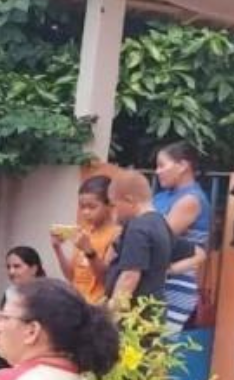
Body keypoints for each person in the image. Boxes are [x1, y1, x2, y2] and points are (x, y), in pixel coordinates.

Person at [105, 169, 204, 321]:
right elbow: (197, 252)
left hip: (135, 316)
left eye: (114, 205)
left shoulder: (138, 228)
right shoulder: (161, 223)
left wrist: (112, 314)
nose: (113, 211)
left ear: (129, 200)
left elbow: (129, 276)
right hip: (154, 312)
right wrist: (169, 270)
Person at [153, 142, 212, 332]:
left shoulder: (191, 199)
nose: (157, 171)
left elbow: (157, 239)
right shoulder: (163, 197)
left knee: (157, 350)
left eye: (162, 165)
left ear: (183, 166)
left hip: (175, 284)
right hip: (157, 280)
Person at [50, 175, 120, 304]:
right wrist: (57, 248)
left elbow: (106, 279)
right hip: (77, 302)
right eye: (82, 207)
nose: (86, 212)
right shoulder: (85, 233)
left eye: (92, 207)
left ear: (109, 205)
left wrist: (89, 251)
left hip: (97, 306)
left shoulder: (116, 234)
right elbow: (72, 276)